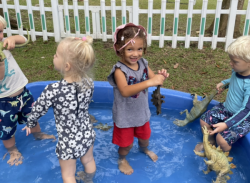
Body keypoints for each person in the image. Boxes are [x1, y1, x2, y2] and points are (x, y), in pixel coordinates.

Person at [23, 36, 96, 183]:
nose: (53, 56)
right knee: (88, 161)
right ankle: (89, 180)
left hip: (68, 141)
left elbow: (37, 110)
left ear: (67, 66)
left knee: (68, 174)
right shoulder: (89, 83)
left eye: (56, 55)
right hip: (87, 133)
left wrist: (30, 123)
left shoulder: (53, 90)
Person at [107, 23, 169, 175]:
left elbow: (153, 78)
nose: (135, 54)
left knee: (145, 138)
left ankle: (144, 149)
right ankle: (122, 159)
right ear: (119, 49)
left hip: (141, 113)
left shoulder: (143, 63)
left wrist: (160, 77)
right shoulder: (119, 71)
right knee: (126, 144)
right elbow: (125, 91)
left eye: (139, 49)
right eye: (130, 49)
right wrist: (149, 82)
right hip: (125, 116)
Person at [0, 15, 55, 166]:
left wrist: (12, 39)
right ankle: (12, 150)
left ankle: (37, 134)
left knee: (32, 116)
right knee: (6, 129)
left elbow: (24, 39)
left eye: (0, 31)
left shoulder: (2, 43)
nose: (0, 36)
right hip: (3, 102)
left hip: (22, 93)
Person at [195, 35, 250, 153]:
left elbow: (246, 110)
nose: (230, 63)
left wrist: (226, 124)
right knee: (204, 120)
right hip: (227, 109)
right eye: (230, 60)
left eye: (235, 61)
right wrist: (224, 84)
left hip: (243, 118)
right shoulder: (237, 71)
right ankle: (210, 142)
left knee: (222, 140)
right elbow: (234, 81)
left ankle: (222, 156)